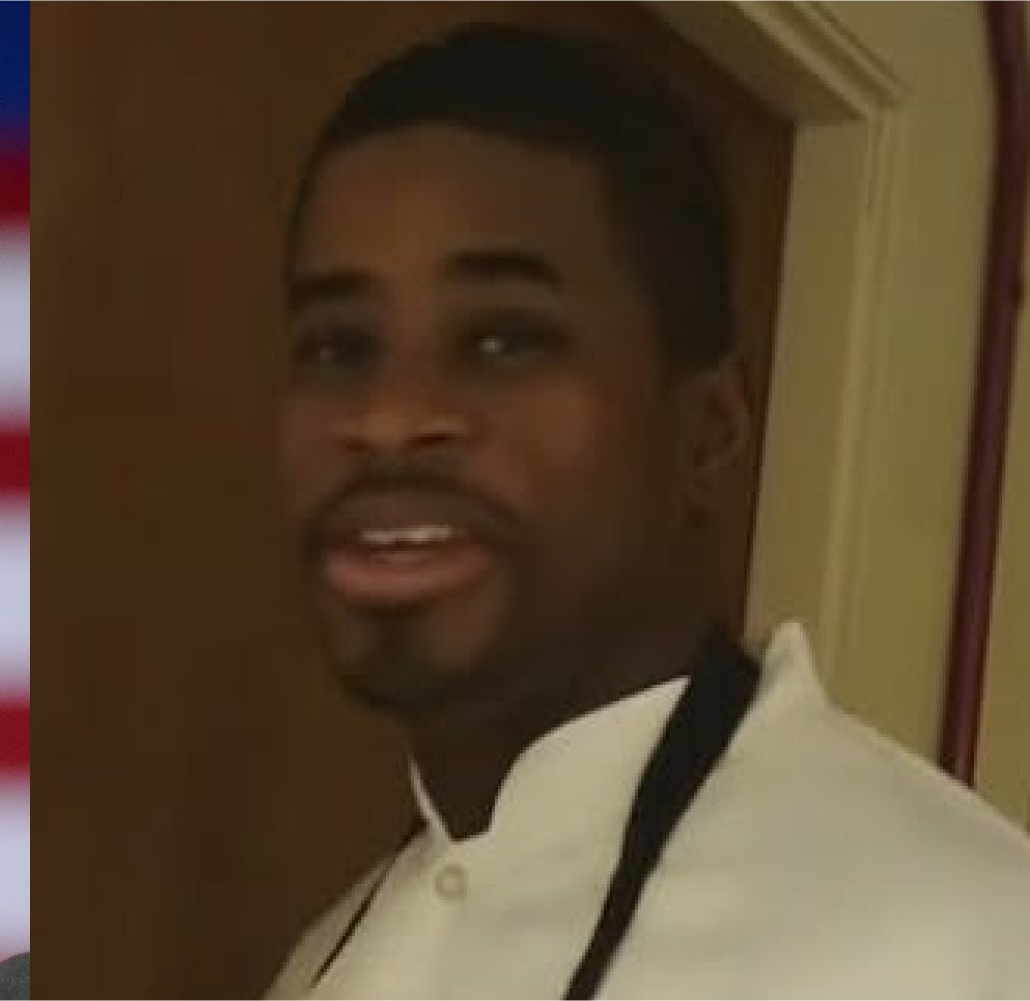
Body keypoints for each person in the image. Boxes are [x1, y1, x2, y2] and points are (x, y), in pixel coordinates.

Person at [266, 23, 1030, 999]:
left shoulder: (967, 938)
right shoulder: (323, 962)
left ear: (707, 430)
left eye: (504, 338)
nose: (386, 416)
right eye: (337, 346)